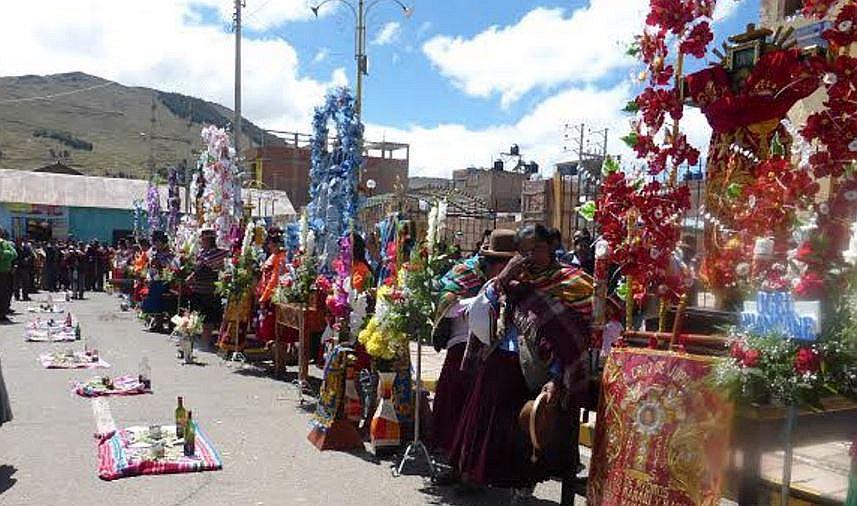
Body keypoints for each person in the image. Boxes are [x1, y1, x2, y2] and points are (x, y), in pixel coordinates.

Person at [449, 224, 594, 498]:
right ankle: (478, 476)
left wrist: (557, 375)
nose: (529, 256)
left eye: (536, 249)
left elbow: (576, 335)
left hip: (537, 370)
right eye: (524, 250)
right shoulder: (512, 280)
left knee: (527, 431)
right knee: (489, 426)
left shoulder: (572, 281)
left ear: (551, 247)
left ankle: (523, 487)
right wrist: (503, 278)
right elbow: (484, 309)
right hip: (500, 361)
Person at [431, 229, 515, 467]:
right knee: (455, 403)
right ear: (495, 262)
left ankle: (475, 461)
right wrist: (474, 304)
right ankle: (449, 457)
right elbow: (446, 301)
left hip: (493, 351)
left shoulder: (514, 279)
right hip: (461, 347)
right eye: (505, 264)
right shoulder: (465, 272)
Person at [187, 229, 228, 345]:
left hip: (209, 290)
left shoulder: (218, 253)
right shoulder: (201, 253)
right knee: (193, 316)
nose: (202, 241)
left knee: (208, 318)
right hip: (197, 290)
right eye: (201, 239)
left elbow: (208, 266)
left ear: (210, 240)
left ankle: (205, 343)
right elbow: (197, 267)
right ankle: (191, 341)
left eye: (204, 239)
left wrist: (193, 275)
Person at [255, 228, 286, 344]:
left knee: (271, 326)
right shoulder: (272, 256)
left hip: (271, 295)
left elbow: (274, 279)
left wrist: (264, 296)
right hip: (265, 292)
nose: (270, 246)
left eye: (272, 244)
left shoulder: (280, 257)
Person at [141, 231, 175, 332]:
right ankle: (158, 322)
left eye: (158, 242)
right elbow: (149, 267)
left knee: (158, 292)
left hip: (166, 280)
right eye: (155, 242)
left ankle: (167, 323)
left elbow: (172, 266)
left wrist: (161, 266)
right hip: (155, 279)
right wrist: (148, 276)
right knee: (153, 291)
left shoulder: (169, 253)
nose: (156, 244)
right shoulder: (153, 253)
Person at [0, 230, 17, 323]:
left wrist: (4, 254)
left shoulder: (5, 243)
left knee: (5, 294)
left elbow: (14, 254)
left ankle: (2, 314)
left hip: (5, 272)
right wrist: (6, 254)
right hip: (3, 272)